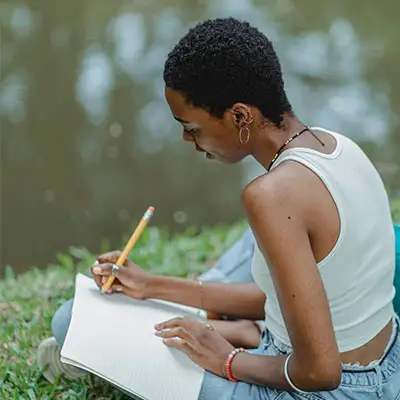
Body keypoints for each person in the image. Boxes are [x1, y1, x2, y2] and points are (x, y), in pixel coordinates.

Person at [39, 18, 400, 399]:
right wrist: (152, 285)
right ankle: (245, 329)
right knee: (256, 245)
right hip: (387, 364)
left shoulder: (271, 196)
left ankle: (241, 335)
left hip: (330, 389)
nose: (185, 138)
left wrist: (226, 360)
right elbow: (297, 297)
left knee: (71, 321)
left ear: (240, 116)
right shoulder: (335, 144)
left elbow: (319, 372)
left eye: (192, 128)